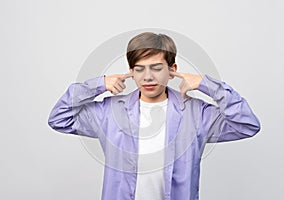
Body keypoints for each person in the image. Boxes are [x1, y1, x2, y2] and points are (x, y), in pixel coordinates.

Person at [48, 32, 261, 200]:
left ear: (172, 69)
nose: (148, 77)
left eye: (157, 68)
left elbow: (247, 125)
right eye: (139, 69)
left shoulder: (197, 113)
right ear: (131, 72)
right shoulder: (109, 112)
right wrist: (98, 84)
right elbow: (59, 118)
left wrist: (207, 85)